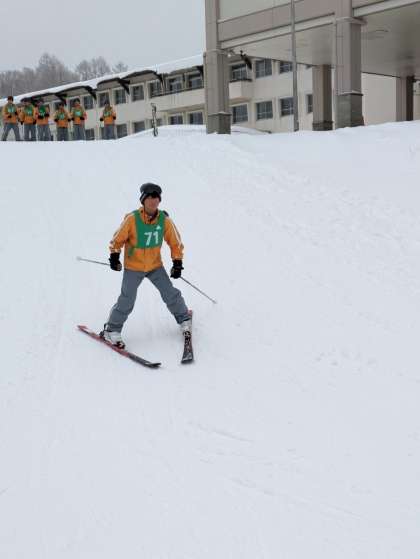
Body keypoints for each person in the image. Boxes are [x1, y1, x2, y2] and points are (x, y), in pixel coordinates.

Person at [102, 182, 191, 348]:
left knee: (170, 293)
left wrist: (177, 263)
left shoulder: (164, 220)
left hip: (154, 266)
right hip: (133, 267)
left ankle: (184, 318)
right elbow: (117, 239)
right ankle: (112, 329)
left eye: (156, 197)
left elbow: (175, 242)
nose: (153, 200)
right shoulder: (132, 219)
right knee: (127, 299)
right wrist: (114, 256)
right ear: (143, 200)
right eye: (150, 197)